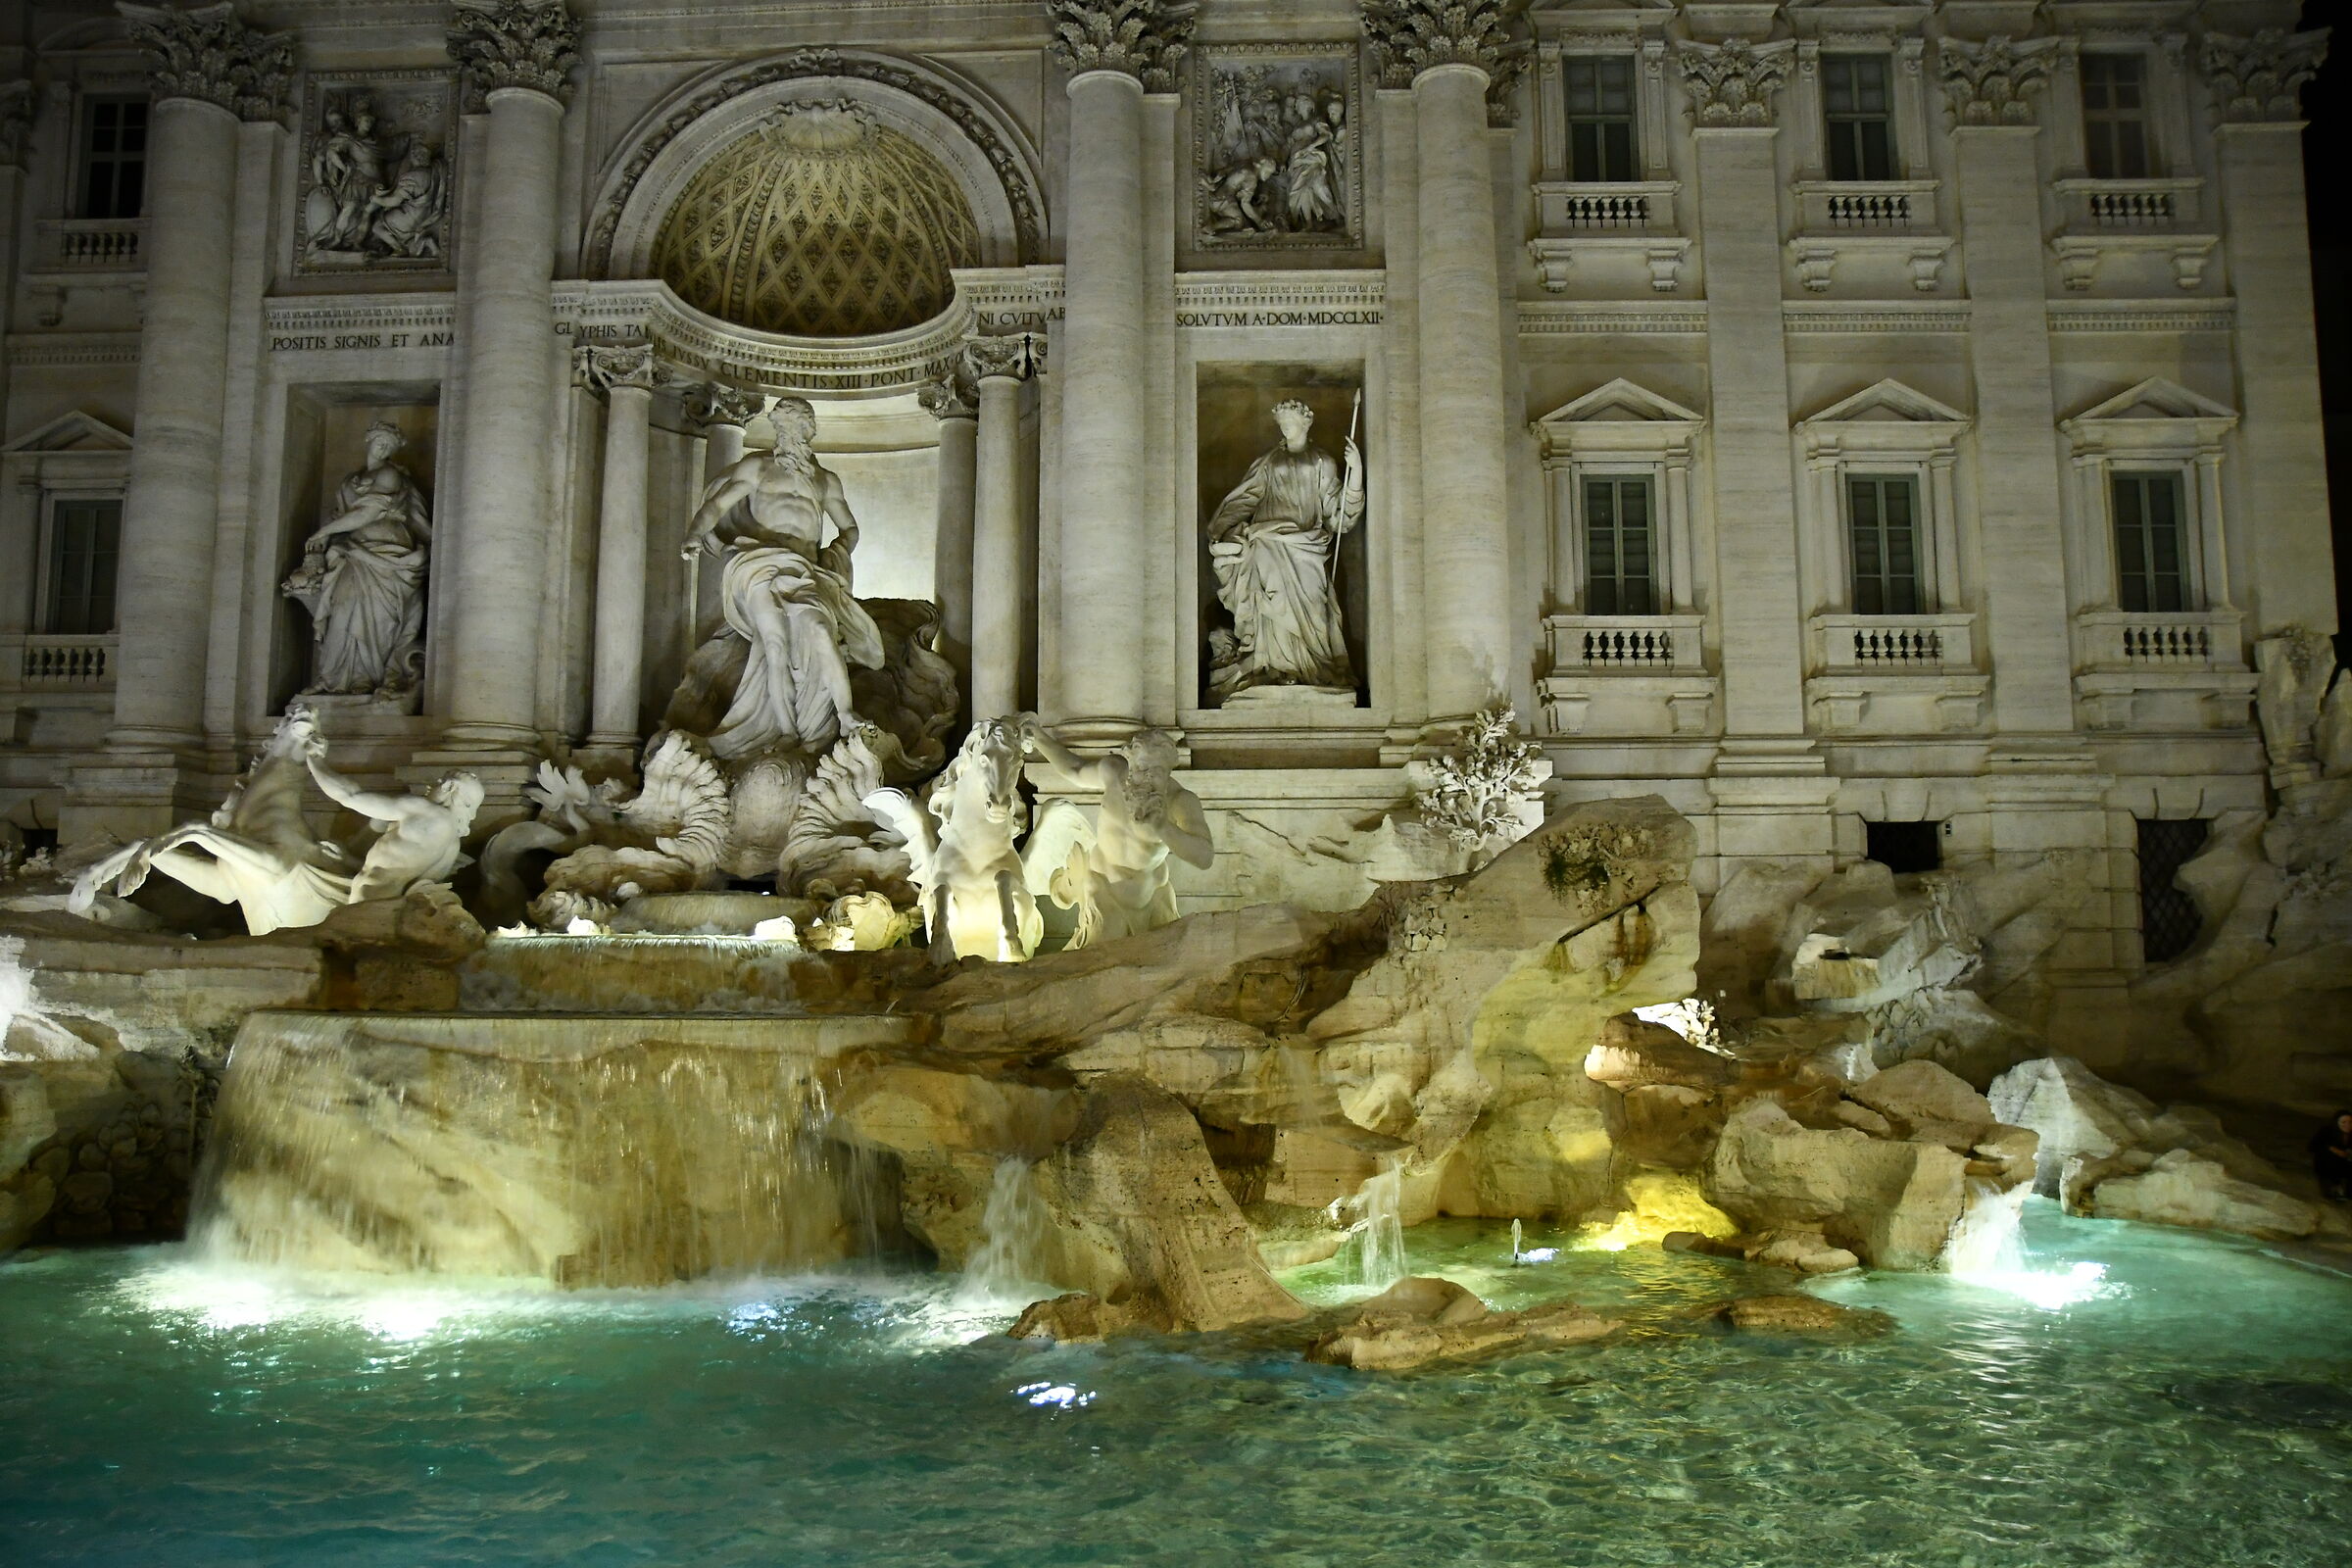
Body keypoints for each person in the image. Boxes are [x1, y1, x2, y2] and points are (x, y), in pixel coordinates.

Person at [682, 396, 883, 760]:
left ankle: (846, 715)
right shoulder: (756, 467)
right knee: (774, 646)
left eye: (798, 425)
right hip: (759, 564)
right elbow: (716, 506)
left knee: (821, 631)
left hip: (804, 570)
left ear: (809, 430)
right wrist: (695, 533)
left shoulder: (825, 481)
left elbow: (849, 527)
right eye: (784, 425)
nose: (790, 433)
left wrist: (837, 553)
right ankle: (788, 731)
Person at [1205, 398, 1364, 697]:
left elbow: (1339, 514)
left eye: (1291, 423)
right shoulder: (1269, 463)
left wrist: (1355, 474)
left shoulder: (1323, 463)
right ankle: (1273, 667)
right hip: (1267, 540)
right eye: (1282, 424)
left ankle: (1313, 669)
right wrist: (1222, 528)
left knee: (1315, 604)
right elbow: (1245, 498)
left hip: (1307, 546)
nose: (1286, 429)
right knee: (1271, 600)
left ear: (1306, 424)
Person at [1017, 718, 1213, 947]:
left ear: (1169, 770)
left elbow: (1204, 856)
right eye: (1140, 768)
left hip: (1145, 897)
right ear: (1129, 762)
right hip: (1100, 889)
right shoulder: (1113, 772)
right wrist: (1040, 739)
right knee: (1097, 965)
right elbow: (1075, 769)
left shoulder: (1180, 801)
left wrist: (1163, 827)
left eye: (1157, 771)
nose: (1146, 778)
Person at [282, 419, 432, 698]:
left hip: (388, 555)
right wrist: (326, 538)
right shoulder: (349, 481)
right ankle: (333, 678)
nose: (383, 447)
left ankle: (366, 679)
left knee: (378, 620)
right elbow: (342, 516)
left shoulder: (390, 475)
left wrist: (324, 531)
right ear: (369, 439)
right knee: (342, 608)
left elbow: (367, 513)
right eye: (380, 441)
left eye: (389, 445)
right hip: (353, 552)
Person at [2311, 1110, 2352, 1201]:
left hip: (2344, 1162)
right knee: (2331, 1161)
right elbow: (2313, 1146)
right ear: (2337, 1122)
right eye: (2343, 1122)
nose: (2347, 1125)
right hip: (2326, 1163)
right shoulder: (2327, 1131)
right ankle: (2334, 1189)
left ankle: (2348, 1193)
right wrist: (2333, 1150)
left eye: (2350, 1122)